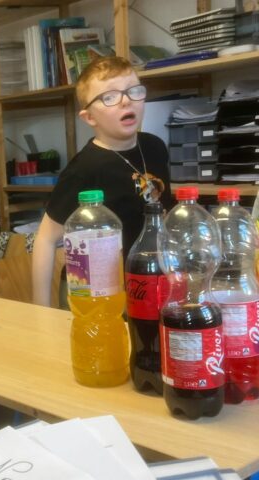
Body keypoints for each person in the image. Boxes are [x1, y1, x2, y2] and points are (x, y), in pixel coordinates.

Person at [31, 56, 171, 308]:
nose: (126, 101)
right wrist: (41, 312)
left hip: (152, 282)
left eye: (133, 91)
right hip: (99, 296)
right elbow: (46, 238)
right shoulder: (84, 169)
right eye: (110, 97)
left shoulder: (155, 147)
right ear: (89, 118)